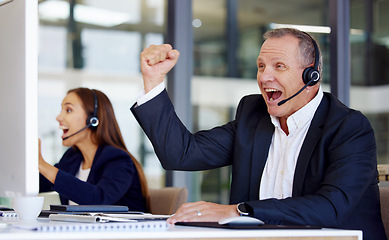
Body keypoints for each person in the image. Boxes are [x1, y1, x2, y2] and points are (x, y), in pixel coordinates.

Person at [131, 28, 386, 240]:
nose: (265, 76)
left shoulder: (349, 127)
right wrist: (153, 81)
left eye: (279, 66)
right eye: (261, 66)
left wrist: (238, 211)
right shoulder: (253, 116)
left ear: (312, 76)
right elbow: (181, 154)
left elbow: (330, 207)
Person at [39, 87, 148, 212]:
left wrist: (41, 164)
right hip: (82, 230)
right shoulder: (73, 157)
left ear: (92, 119)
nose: (59, 117)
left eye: (68, 110)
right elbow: (39, 183)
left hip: (120, 231)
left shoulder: (118, 159)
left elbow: (98, 199)